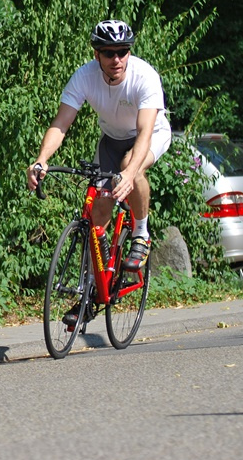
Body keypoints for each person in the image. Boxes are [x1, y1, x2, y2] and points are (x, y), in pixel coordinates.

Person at [26, 19, 170, 324]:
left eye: (122, 51)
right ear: (96, 54)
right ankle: (92, 291)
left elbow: (145, 132)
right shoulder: (84, 76)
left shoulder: (144, 76)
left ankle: (141, 234)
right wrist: (41, 160)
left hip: (150, 135)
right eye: (108, 53)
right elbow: (61, 123)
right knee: (98, 211)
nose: (116, 59)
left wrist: (129, 174)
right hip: (111, 140)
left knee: (131, 165)